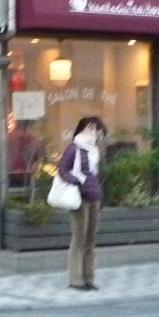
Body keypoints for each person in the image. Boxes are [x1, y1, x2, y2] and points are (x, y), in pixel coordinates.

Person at [57, 115, 107, 291]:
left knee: (90, 240)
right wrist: (78, 180)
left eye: (95, 128)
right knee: (79, 238)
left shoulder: (95, 149)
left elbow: (97, 173)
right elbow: (62, 170)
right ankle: (76, 279)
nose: (93, 131)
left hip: (94, 197)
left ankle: (88, 277)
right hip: (78, 197)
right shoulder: (74, 148)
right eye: (89, 128)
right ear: (81, 129)